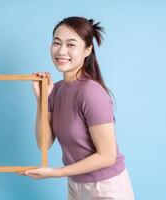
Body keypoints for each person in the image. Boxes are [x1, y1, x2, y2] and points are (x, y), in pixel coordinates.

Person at [17, 16, 135, 200]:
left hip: (106, 187)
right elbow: (44, 144)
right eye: (57, 43)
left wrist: (56, 172)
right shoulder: (55, 91)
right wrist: (42, 100)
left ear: (87, 50)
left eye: (71, 44)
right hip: (76, 185)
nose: (61, 51)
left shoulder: (91, 92)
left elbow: (107, 156)